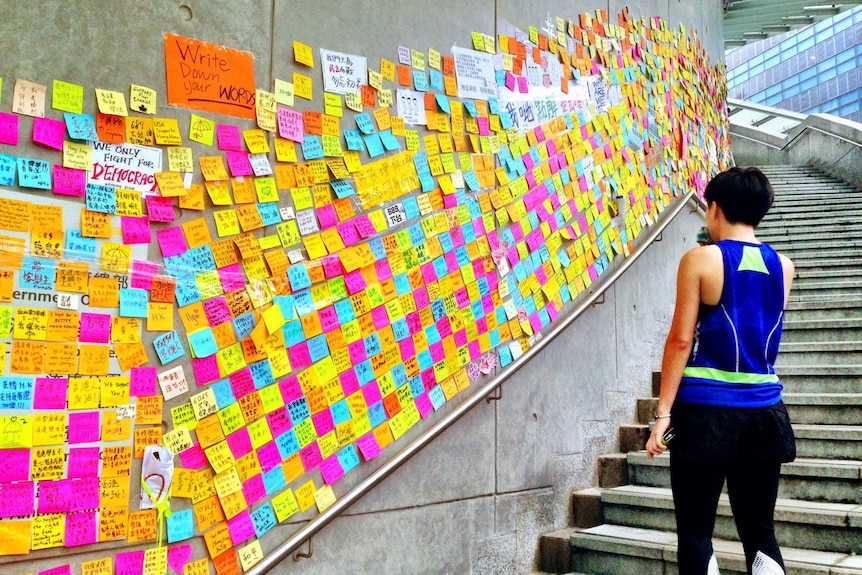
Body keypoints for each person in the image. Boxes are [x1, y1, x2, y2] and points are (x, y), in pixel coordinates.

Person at [645, 167, 797, 575]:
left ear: (714, 208)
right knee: (760, 532)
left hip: (704, 415)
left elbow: (679, 340)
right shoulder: (784, 266)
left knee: (695, 532)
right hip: (765, 414)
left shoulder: (700, 259)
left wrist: (663, 416)